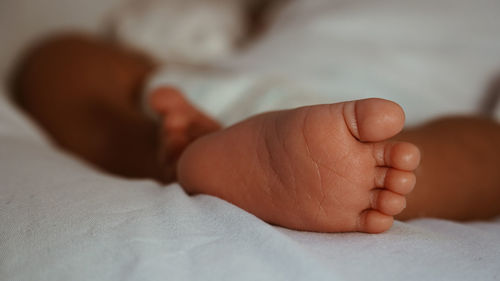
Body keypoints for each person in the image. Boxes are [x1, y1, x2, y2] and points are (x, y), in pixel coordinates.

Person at [10, 33, 500, 234]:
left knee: (473, 144)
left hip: (378, 117)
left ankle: (373, 182)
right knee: (61, 57)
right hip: (215, 102)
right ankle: (174, 155)